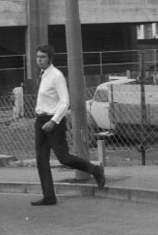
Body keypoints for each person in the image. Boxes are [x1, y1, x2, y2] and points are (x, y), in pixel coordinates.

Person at [31, 44, 105, 206]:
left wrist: (54, 120)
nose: (39, 60)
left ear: (50, 59)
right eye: (38, 57)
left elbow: (65, 101)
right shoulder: (42, 75)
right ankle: (49, 197)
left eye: (43, 57)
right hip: (41, 121)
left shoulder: (56, 76)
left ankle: (95, 170)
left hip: (54, 122)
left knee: (64, 158)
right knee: (41, 160)